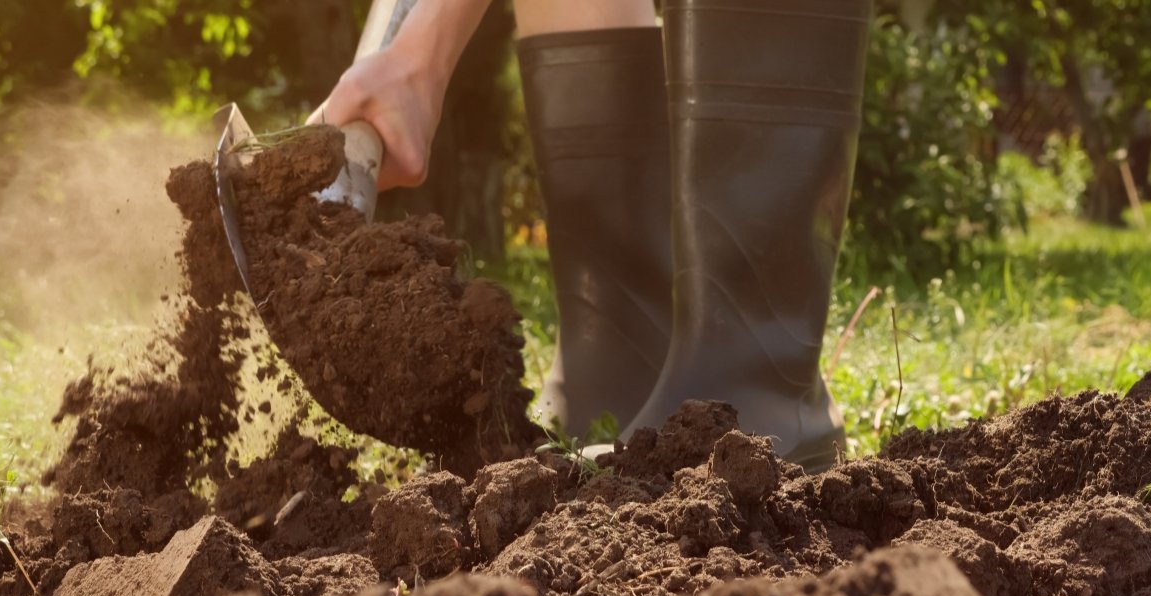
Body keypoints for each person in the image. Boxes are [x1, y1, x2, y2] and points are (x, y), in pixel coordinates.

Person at [310, 0, 873, 472]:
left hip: (754, 410)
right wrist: (413, 56)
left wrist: (419, 57)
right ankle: (617, 364)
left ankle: (753, 389)